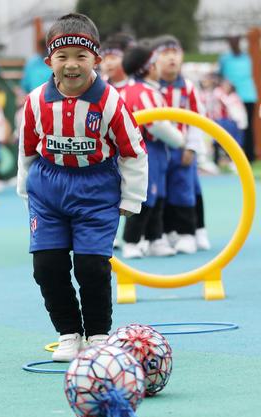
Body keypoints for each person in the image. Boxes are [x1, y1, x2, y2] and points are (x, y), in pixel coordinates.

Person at [17, 13, 147, 362]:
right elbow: (27, 148)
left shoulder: (110, 101)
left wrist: (132, 198)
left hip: (96, 190)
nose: (72, 64)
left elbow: (134, 151)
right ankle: (68, 334)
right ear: (49, 61)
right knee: (46, 266)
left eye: (81, 56)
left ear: (96, 59)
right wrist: (25, 189)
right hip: (48, 189)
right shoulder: (35, 101)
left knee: (91, 266)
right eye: (62, 56)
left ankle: (99, 335)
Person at [119, 40, 185, 259]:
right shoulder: (143, 92)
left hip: (152, 150)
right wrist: (179, 140)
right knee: (146, 197)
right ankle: (131, 240)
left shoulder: (131, 89)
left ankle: (155, 238)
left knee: (157, 197)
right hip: (147, 149)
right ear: (148, 68)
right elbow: (156, 124)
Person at [155, 35, 210, 253]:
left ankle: (188, 233)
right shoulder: (151, 87)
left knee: (184, 190)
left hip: (182, 149)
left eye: (175, 53)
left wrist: (192, 147)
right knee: (160, 192)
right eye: (165, 53)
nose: (171, 58)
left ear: (182, 57)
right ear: (155, 59)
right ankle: (166, 232)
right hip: (158, 150)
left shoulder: (188, 87)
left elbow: (197, 119)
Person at [219, 35, 257, 162]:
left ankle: (246, 156)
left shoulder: (241, 58)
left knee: (242, 127)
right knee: (239, 127)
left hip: (243, 97)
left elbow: (222, 74)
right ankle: (242, 156)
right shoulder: (230, 58)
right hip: (237, 98)